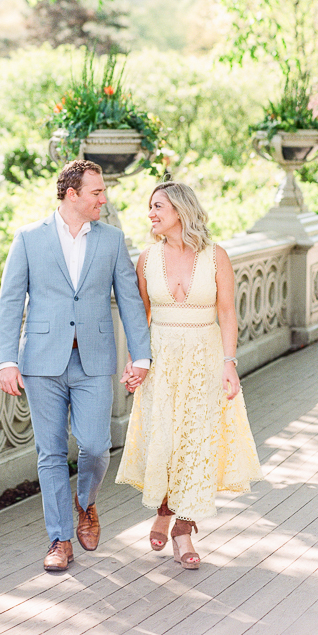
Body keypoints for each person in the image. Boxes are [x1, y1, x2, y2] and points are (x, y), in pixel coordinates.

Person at [0, 159, 151, 572]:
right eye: (97, 192)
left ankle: (87, 503)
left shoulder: (113, 239)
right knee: (49, 454)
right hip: (41, 362)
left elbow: (130, 301)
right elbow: (11, 301)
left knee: (96, 446)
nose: (104, 198)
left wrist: (142, 356)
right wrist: (6, 360)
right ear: (72, 195)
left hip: (95, 359)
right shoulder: (29, 238)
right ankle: (60, 540)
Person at [115, 181, 263, 569]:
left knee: (197, 442)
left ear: (180, 210)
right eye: (150, 207)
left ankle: (183, 528)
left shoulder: (216, 257)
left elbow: (228, 313)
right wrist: (136, 361)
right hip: (162, 361)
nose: (151, 213)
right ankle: (164, 508)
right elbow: (139, 319)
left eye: (158, 206)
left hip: (205, 359)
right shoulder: (147, 258)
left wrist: (229, 363)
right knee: (163, 440)